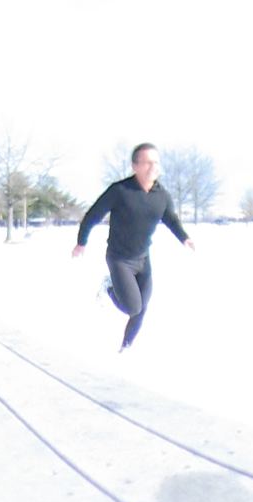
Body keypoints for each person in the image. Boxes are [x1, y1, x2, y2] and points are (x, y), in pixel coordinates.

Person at [73, 143, 197, 351]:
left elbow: (171, 219)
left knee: (141, 309)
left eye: (156, 162)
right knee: (133, 306)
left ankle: (125, 348)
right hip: (119, 258)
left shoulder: (161, 196)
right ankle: (109, 287)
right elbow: (92, 216)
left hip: (143, 258)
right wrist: (81, 242)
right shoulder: (120, 191)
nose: (153, 167)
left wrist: (184, 237)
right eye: (147, 162)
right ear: (135, 166)